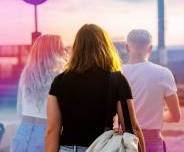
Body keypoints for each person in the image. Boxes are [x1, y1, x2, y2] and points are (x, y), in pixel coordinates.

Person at [45, 24, 146, 152]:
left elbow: (52, 130)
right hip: (104, 148)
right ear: (105, 47)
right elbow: (132, 127)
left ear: (76, 48)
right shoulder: (116, 79)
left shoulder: (59, 81)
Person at [114, 29, 181, 152]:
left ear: (127, 48)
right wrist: (158, 116)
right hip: (153, 143)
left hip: (124, 143)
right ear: (150, 49)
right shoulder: (163, 73)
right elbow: (175, 116)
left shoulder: (117, 75)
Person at [10, 35, 65, 152]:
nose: (64, 51)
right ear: (53, 52)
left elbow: (20, 110)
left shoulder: (25, 74)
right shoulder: (59, 77)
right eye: (61, 48)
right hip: (46, 134)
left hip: (22, 132)